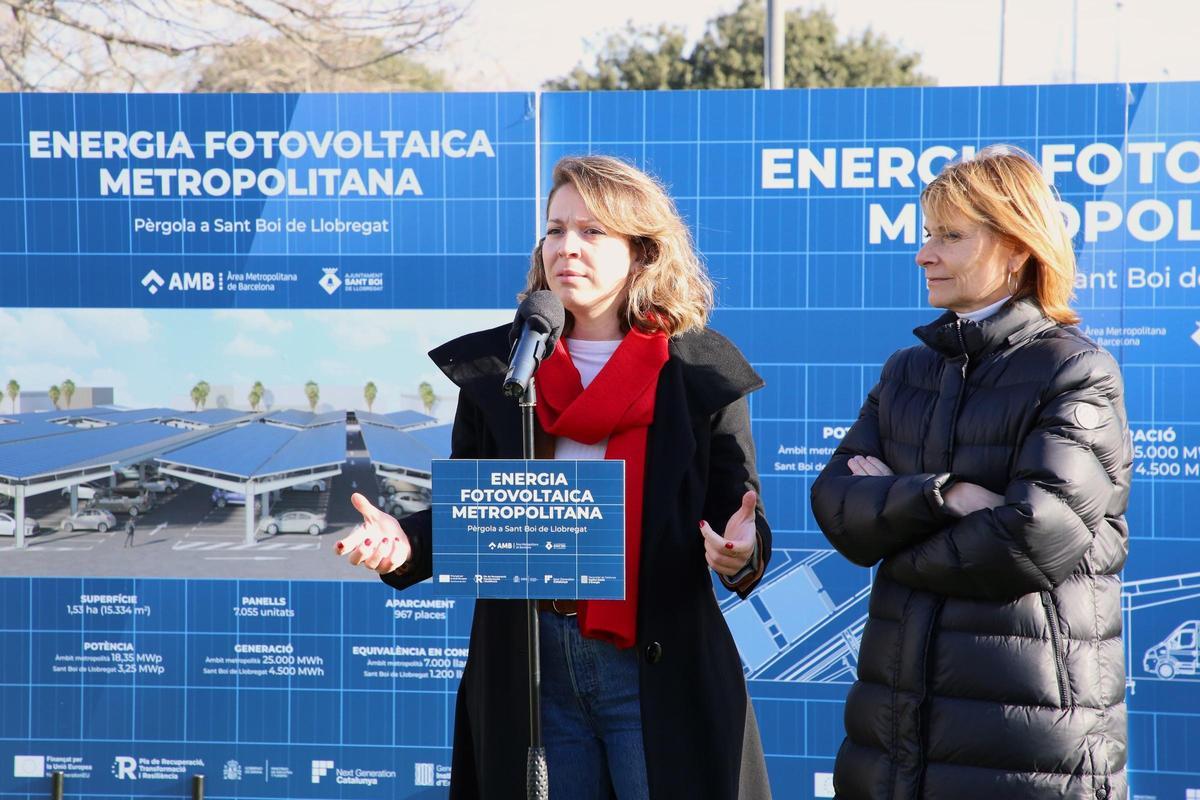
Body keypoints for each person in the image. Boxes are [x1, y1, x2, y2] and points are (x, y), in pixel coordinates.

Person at [337, 155, 773, 800]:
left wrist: (738, 551)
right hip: (531, 664)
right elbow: (479, 508)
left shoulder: (700, 372)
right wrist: (406, 543)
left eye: (593, 231)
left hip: (652, 663)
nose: (567, 247)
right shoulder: (500, 369)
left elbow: (737, 515)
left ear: (643, 251)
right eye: (555, 229)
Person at [810, 145, 1132, 800]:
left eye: (950, 237)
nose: (924, 254)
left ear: (1018, 247)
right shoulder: (908, 370)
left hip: (1030, 747)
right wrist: (947, 494)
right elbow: (836, 505)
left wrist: (895, 535)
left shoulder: (1074, 371)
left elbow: (1032, 537)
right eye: (928, 234)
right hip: (895, 740)